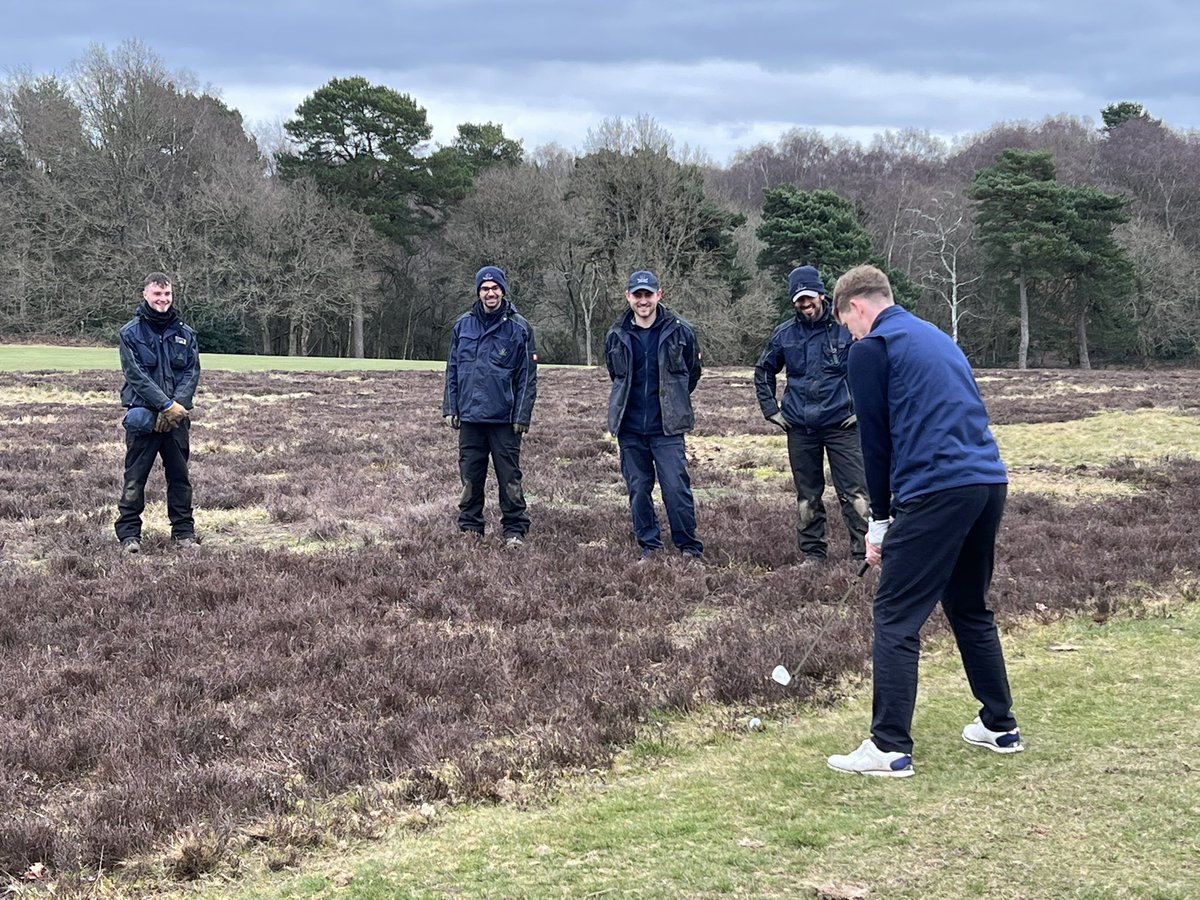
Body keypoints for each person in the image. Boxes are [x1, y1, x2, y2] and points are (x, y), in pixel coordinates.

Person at [825, 264, 1021, 778]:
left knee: (894, 614)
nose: (850, 334)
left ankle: (889, 747)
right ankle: (1000, 725)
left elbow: (874, 440)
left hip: (936, 490)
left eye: (847, 324)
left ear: (858, 308)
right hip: (986, 483)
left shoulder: (873, 348)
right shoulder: (936, 336)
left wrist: (880, 522)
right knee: (967, 605)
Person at [754, 264, 868, 567]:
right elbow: (763, 371)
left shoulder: (847, 328)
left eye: (809, 297)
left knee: (856, 493)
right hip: (800, 428)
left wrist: (862, 409)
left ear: (821, 294)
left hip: (843, 427)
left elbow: (873, 369)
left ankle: (864, 555)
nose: (806, 304)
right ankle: (813, 555)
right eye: (799, 300)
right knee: (807, 497)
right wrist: (772, 411)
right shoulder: (784, 335)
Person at [605, 270, 704, 560]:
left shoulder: (681, 330)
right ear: (628, 297)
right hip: (630, 428)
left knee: (676, 488)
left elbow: (692, 374)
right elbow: (616, 375)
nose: (643, 300)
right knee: (638, 490)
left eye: (649, 294)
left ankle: (688, 547)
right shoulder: (616, 334)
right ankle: (649, 546)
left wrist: (673, 401)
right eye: (638, 295)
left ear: (659, 295)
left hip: (668, 429)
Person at [442, 265, 538, 547]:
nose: (490, 293)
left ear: (503, 290)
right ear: (478, 292)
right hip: (470, 417)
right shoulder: (462, 325)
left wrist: (522, 415)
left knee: (510, 478)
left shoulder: (519, 327)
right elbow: (453, 369)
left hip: (505, 420)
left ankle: (515, 530)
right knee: (470, 476)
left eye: (495, 288)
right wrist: (451, 406)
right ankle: (470, 529)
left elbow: (527, 378)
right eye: (485, 289)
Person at [114, 272, 201, 553]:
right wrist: (165, 405)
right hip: (143, 416)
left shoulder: (185, 333)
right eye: (157, 294)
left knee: (180, 477)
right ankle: (129, 536)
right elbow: (136, 375)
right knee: (135, 478)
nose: (163, 300)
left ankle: (184, 534)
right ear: (146, 295)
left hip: (177, 418)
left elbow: (192, 371)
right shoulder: (130, 333)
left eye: (167, 295)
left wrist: (178, 406)